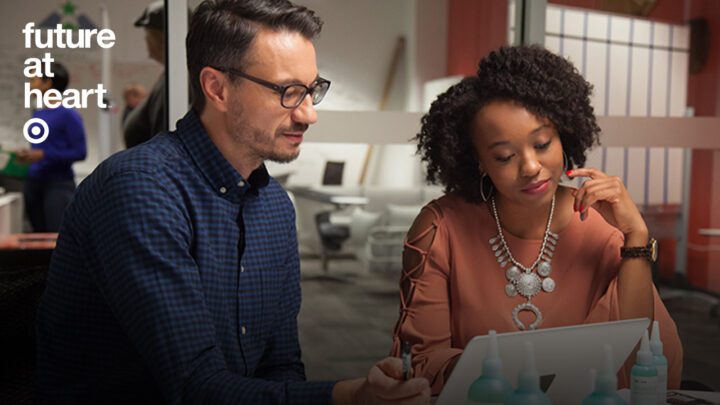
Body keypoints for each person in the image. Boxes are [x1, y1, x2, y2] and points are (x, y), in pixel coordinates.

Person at [36, 1, 430, 404]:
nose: (309, 115)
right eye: (289, 92)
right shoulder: (139, 191)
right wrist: (349, 397)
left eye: (311, 90)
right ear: (217, 88)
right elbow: (195, 388)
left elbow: (281, 369)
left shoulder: (274, 206)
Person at [390, 45, 683, 394]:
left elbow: (644, 370)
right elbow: (419, 365)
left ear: (563, 135)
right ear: (479, 161)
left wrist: (636, 236)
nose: (530, 167)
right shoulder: (440, 229)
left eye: (542, 144)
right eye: (504, 156)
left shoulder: (603, 228)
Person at [16, 62, 87, 232]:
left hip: (57, 185)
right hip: (33, 182)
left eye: (34, 80)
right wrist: (29, 155)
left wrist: (43, 155)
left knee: (55, 240)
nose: (30, 85)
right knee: (36, 238)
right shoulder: (38, 112)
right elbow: (41, 148)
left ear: (48, 83)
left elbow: (80, 152)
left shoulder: (68, 114)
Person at [122, 0, 167, 148]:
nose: (146, 43)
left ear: (159, 38)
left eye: (147, 37)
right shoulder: (168, 77)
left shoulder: (176, 81)